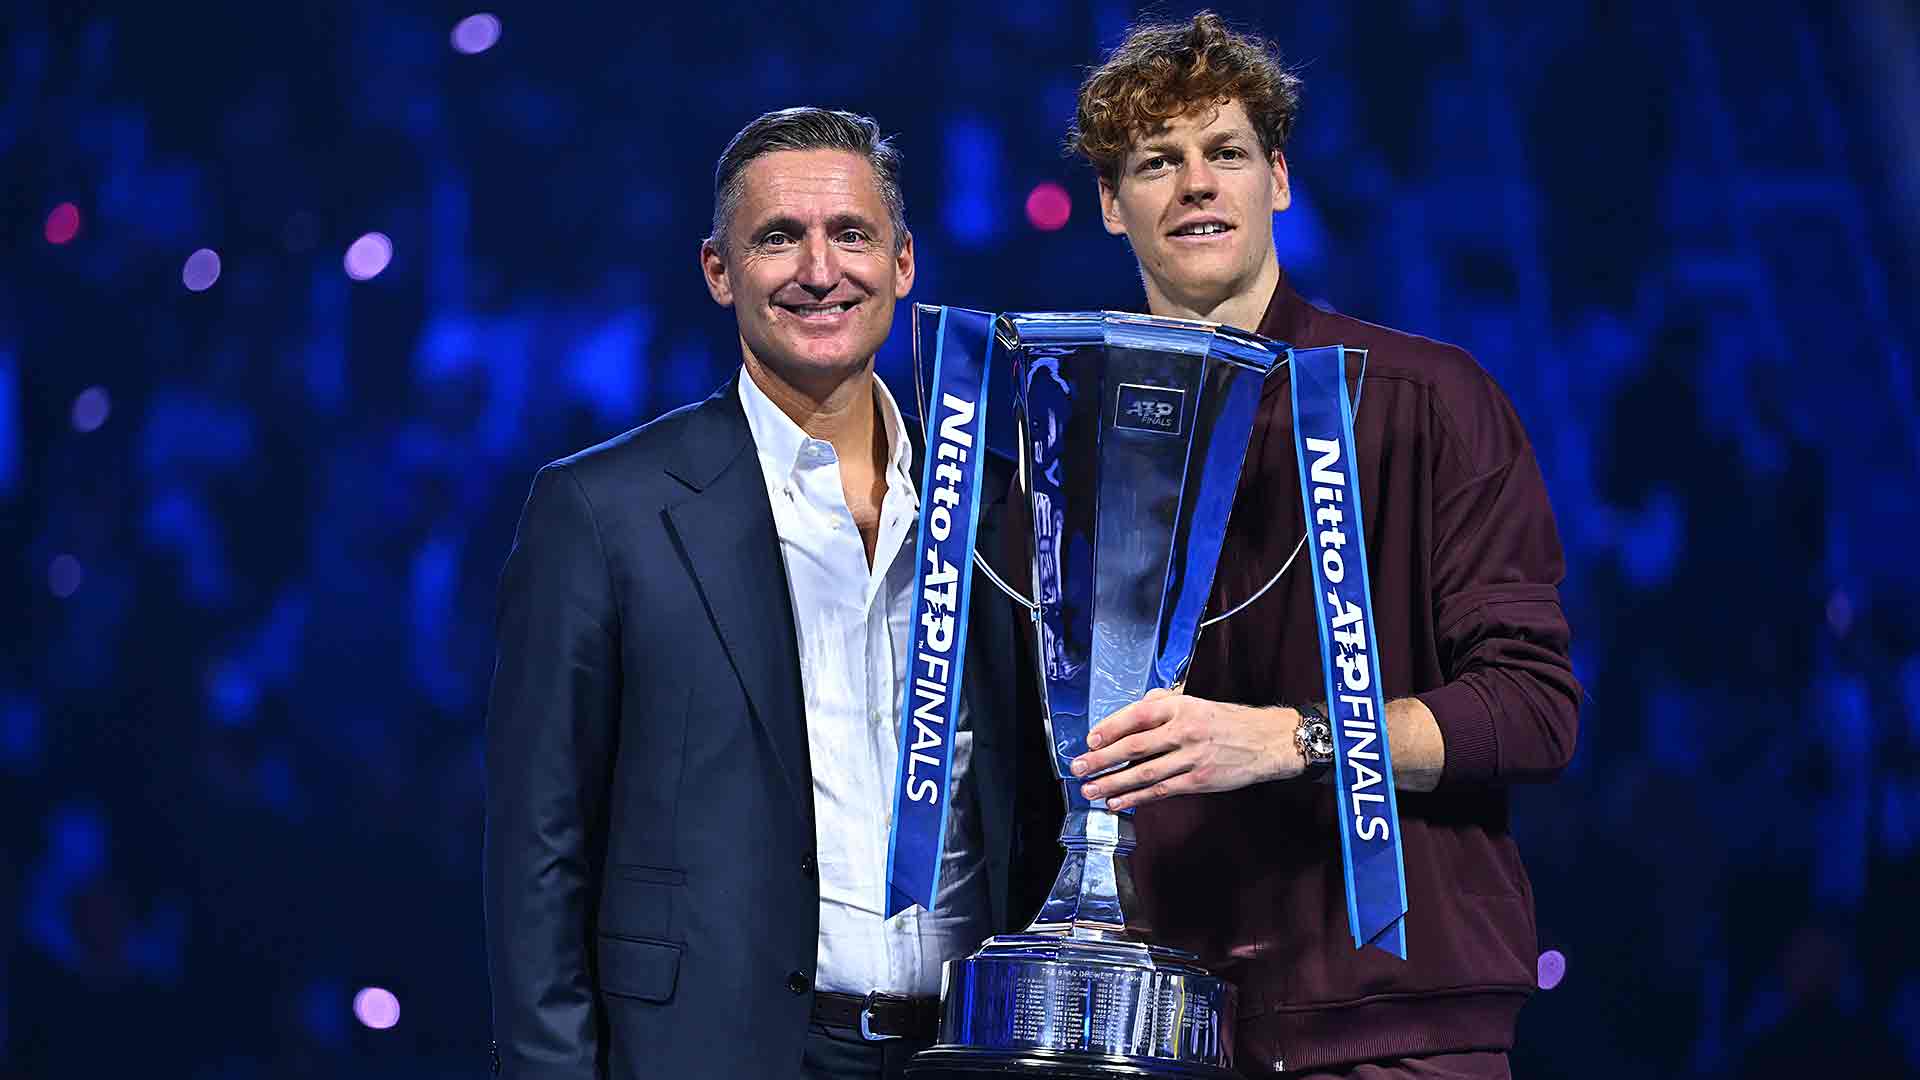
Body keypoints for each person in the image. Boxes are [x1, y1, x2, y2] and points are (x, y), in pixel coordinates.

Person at [1057, 13, 1582, 1079]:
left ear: (1278, 182)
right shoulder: (1063, 432)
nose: (1197, 183)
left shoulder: (1426, 403)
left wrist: (1287, 739)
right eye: (1159, 161)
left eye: (1227, 154)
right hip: (1149, 1026)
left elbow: (1535, 710)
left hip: (1386, 1025)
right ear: (1112, 206)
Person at [483, 107, 1040, 1080]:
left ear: (904, 263)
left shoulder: (998, 509)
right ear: (717, 270)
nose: (820, 271)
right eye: (779, 237)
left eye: (852, 235)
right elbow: (539, 856)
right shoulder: (603, 512)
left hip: (968, 1055)